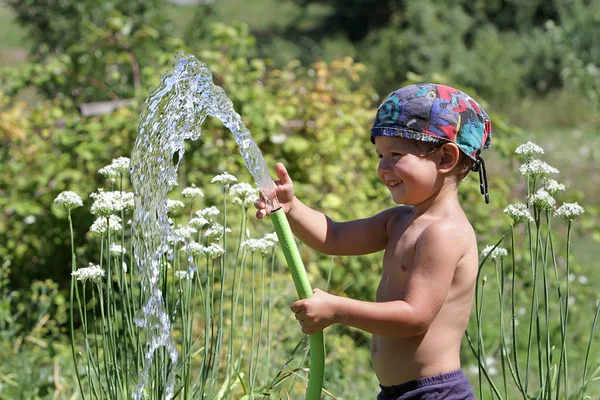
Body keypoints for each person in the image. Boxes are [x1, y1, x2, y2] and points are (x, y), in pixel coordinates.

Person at [255, 83, 492, 399]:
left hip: (435, 394)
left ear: (446, 158)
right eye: (380, 154)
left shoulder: (444, 232)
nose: (383, 168)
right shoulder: (399, 220)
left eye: (396, 154)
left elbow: (415, 317)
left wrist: (338, 309)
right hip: (396, 392)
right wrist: (292, 208)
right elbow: (334, 237)